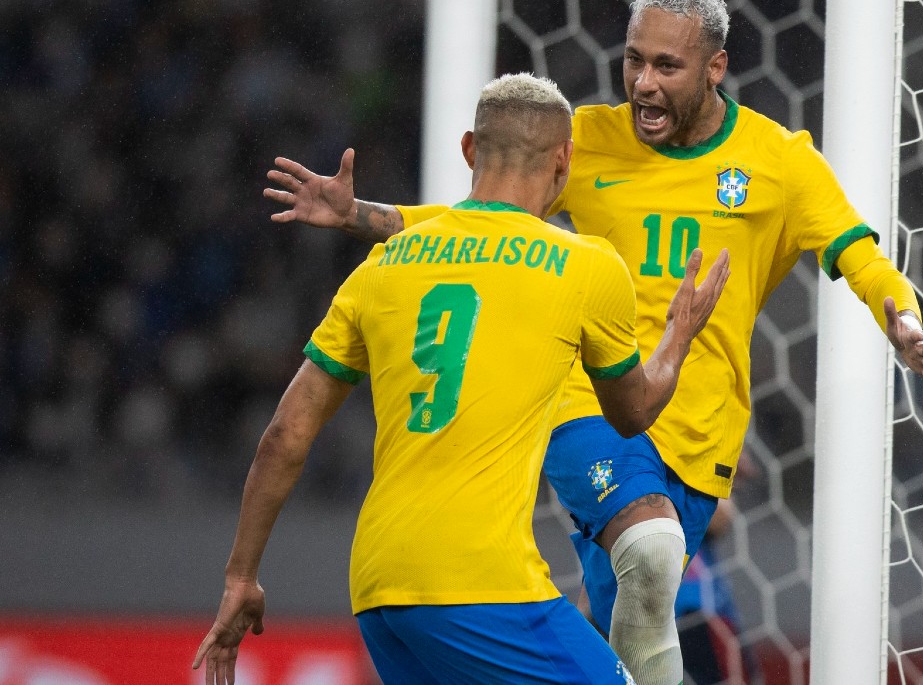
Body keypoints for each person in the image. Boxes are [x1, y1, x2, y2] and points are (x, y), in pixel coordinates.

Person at [263, 0, 923, 685]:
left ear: (715, 67)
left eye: (666, 67)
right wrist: (357, 216)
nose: (643, 84)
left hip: (698, 437)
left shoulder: (780, 164)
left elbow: (860, 254)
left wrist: (898, 315)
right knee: (649, 546)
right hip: (593, 409)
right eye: (633, 61)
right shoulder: (584, 140)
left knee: (627, 641)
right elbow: (482, 219)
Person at [192, 72, 731, 685]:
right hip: (484, 584)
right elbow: (633, 414)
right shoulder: (586, 265)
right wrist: (678, 338)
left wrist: (242, 576)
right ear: (565, 159)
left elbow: (284, 435)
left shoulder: (382, 267)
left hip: (379, 588)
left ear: (470, 150)